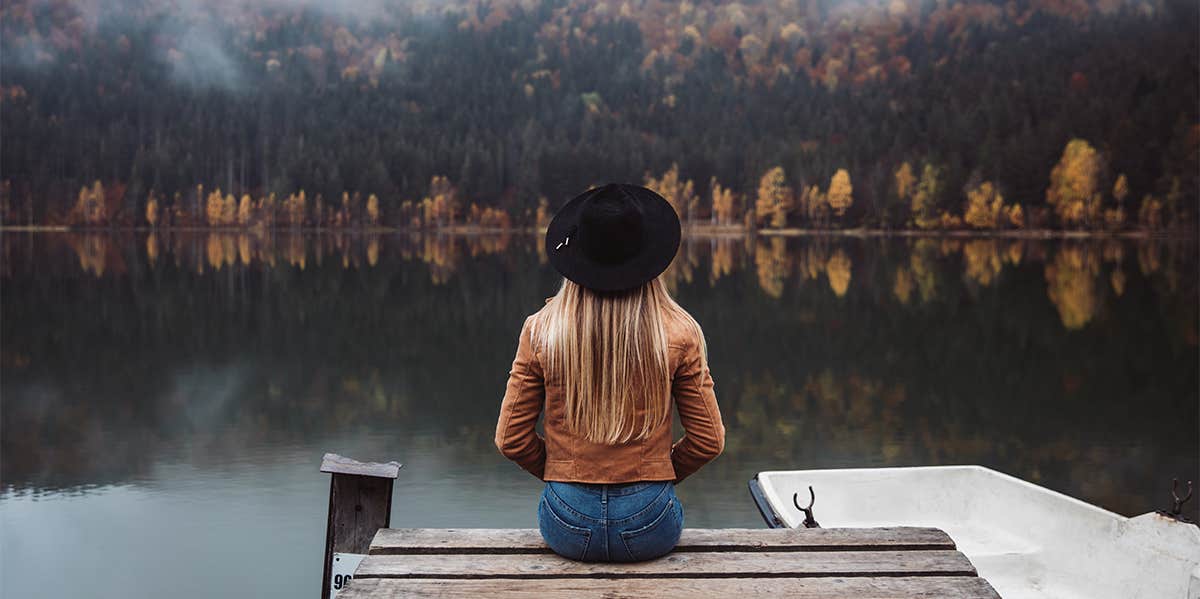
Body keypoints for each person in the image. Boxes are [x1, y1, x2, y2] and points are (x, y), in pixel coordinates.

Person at [494, 182, 725, 563]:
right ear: (649, 258)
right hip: (649, 524)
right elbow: (709, 441)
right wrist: (657, 474)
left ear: (577, 258)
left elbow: (510, 440)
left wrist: (563, 472)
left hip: (566, 524)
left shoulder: (540, 331)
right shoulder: (681, 333)